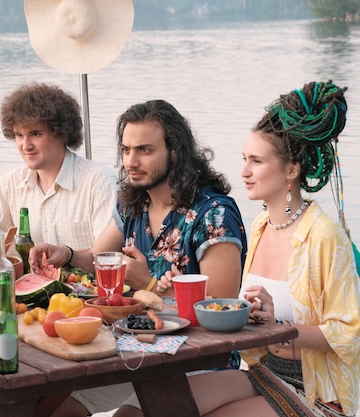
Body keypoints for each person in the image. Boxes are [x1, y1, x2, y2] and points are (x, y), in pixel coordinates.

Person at [116, 81, 360, 417]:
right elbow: (239, 312)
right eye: (244, 159)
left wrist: (280, 324)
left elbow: (350, 334)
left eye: (257, 162)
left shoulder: (325, 236)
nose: (243, 172)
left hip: (318, 391)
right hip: (263, 373)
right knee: (142, 409)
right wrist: (172, 298)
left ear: (291, 170)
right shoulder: (261, 226)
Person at [30, 99, 248, 417]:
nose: (131, 161)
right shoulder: (132, 203)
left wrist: (145, 283)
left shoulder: (213, 214)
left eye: (144, 150)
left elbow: (221, 311)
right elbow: (99, 258)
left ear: (175, 151)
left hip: (197, 361)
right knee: (55, 408)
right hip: (140, 350)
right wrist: (67, 255)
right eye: (126, 149)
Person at [0, 82, 118, 251]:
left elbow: (108, 254)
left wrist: (66, 258)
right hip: (27, 278)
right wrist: (10, 248)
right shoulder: (11, 184)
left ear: (62, 133)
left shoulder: (99, 182)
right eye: (19, 135)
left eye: (35, 134)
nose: (25, 145)